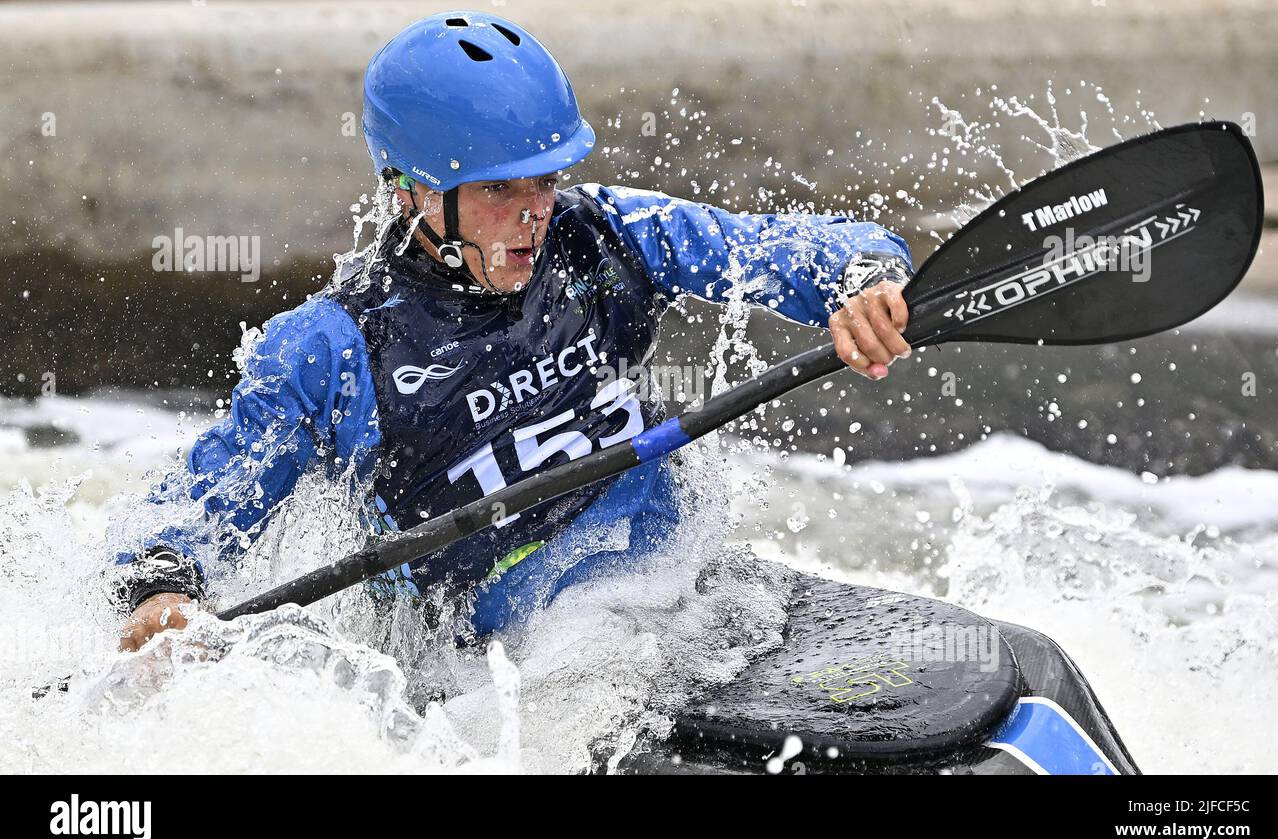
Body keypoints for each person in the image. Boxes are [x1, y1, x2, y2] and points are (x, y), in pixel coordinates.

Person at [114, 11, 913, 651]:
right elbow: (199, 506)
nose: (535, 211)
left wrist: (862, 281)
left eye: (546, 178)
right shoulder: (331, 350)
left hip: (689, 590)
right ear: (410, 191)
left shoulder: (606, 239)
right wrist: (162, 592)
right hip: (511, 669)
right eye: (499, 189)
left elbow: (781, 247)